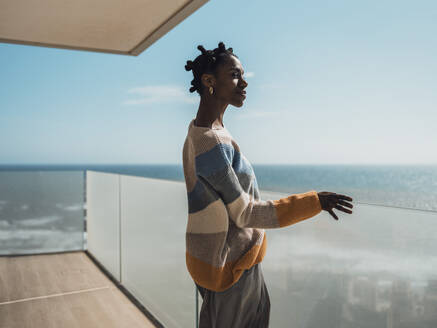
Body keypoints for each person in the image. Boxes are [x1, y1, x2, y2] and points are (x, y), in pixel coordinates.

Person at [182, 41, 354, 328]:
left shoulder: (201, 131)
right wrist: (315, 201)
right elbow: (245, 213)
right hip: (231, 268)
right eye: (235, 75)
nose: (244, 82)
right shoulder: (210, 142)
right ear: (209, 81)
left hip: (219, 262)